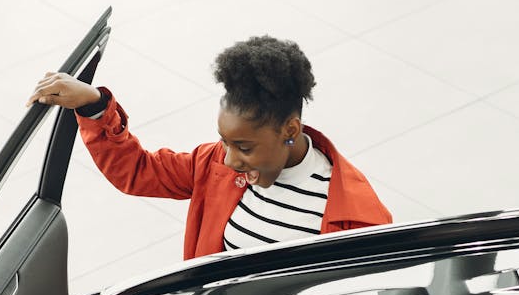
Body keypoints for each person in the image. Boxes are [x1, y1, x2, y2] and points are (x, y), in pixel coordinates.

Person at [27, 36, 392, 260]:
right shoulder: (213, 163)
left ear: (290, 129)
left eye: (245, 147)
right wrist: (92, 104)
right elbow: (137, 172)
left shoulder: (354, 216)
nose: (229, 160)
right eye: (224, 141)